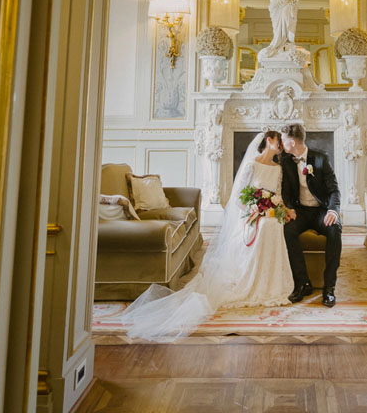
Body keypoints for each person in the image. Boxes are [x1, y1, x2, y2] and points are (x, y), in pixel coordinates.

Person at [121, 130, 295, 341]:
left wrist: (282, 210)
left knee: (273, 225)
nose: (281, 147)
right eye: (278, 142)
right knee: (266, 226)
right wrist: (255, 210)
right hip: (250, 214)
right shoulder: (251, 165)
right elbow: (239, 198)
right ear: (269, 141)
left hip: (269, 213)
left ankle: (271, 282)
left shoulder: (277, 168)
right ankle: (251, 279)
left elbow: (277, 194)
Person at [280, 122, 342, 307]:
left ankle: (329, 288)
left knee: (334, 231)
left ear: (292, 143)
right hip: (300, 212)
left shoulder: (321, 158)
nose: (282, 144)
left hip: (321, 211)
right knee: (288, 230)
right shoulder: (285, 161)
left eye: (283, 140)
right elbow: (285, 191)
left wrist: (333, 211)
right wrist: (289, 208)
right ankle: (302, 283)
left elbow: (334, 190)